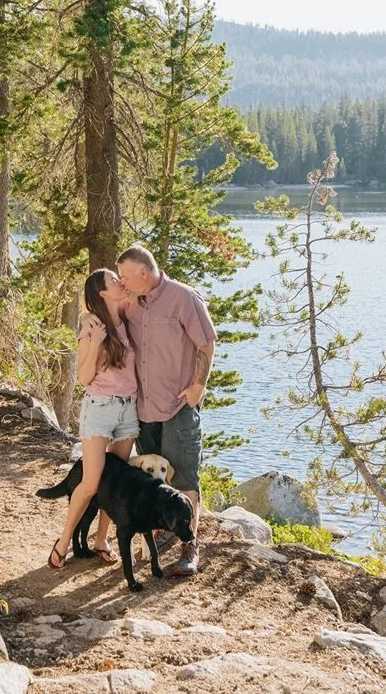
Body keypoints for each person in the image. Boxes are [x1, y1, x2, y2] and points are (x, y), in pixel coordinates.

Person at [117, 244, 214, 577]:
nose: (122, 282)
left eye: (126, 276)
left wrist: (198, 387)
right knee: (151, 480)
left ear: (144, 272)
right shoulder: (130, 302)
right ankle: (159, 530)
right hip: (144, 407)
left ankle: (190, 545)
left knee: (184, 476)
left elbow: (206, 343)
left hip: (177, 405)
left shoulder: (184, 298)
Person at [48, 267, 138, 568]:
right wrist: (97, 339)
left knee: (117, 482)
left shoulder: (125, 316)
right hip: (99, 409)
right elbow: (85, 377)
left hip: (129, 410)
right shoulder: (91, 329)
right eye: (113, 280)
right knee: (90, 483)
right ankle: (63, 541)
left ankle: (101, 540)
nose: (120, 282)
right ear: (102, 292)